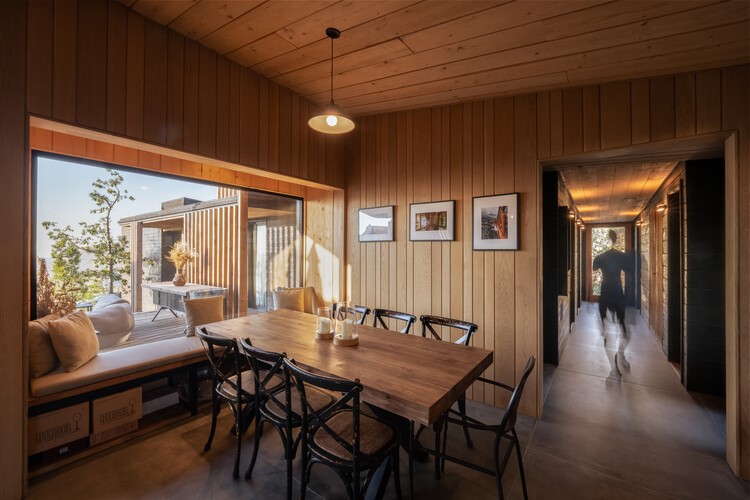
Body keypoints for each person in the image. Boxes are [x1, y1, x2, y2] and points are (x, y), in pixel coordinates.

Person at [593, 229, 631, 376]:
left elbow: (594, 270)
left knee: (606, 331)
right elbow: (629, 273)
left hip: (605, 294)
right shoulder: (622, 257)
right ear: (616, 239)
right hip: (618, 293)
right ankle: (620, 354)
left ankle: (614, 367)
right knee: (624, 329)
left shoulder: (600, 257)